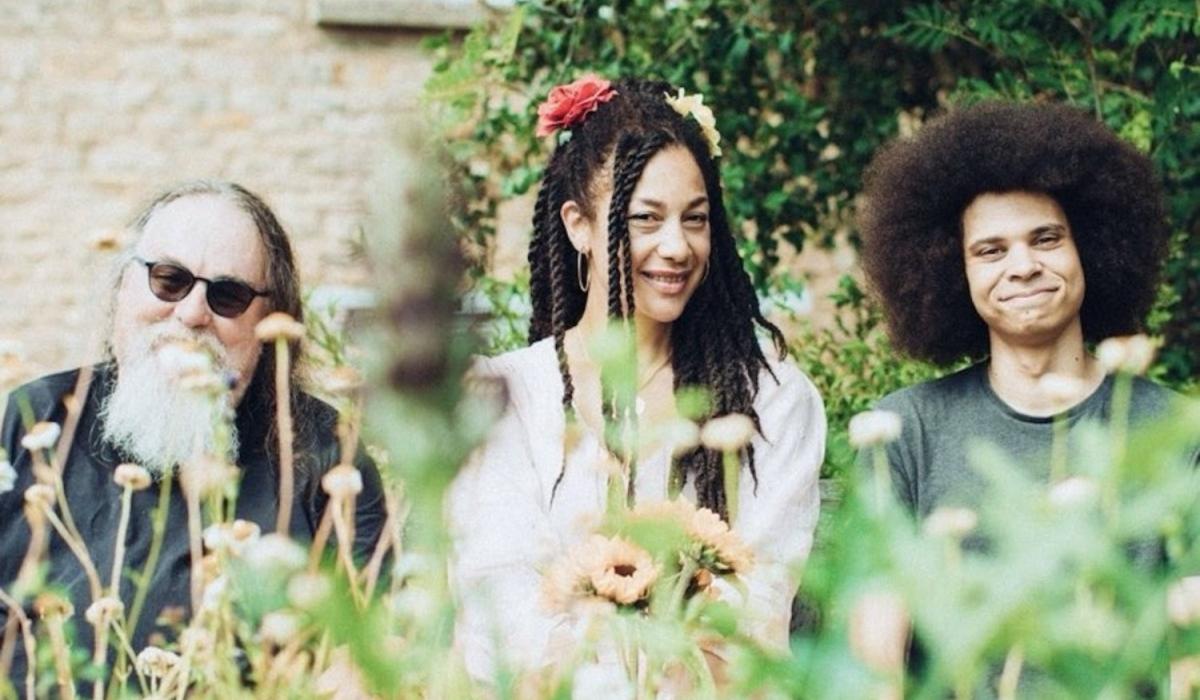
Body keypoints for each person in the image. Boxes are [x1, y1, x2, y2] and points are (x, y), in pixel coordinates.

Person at [448, 76, 826, 680]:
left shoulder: (769, 401)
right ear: (578, 225)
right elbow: (502, 625)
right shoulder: (506, 398)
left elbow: (751, 622)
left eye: (695, 219)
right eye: (645, 218)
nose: (676, 247)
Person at [0, 180, 386, 683]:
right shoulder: (33, 418)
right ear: (124, 286)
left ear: (270, 320)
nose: (191, 314)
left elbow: (379, 649)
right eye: (169, 279)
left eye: (228, 295)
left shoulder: (325, 456)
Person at [857, 100, 1192, 518]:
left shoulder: (1180, 428)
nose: (1023, 267)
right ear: (953, 271)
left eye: (1046, 240)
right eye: (991, 251)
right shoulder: (907, 430)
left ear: (1089, 249)